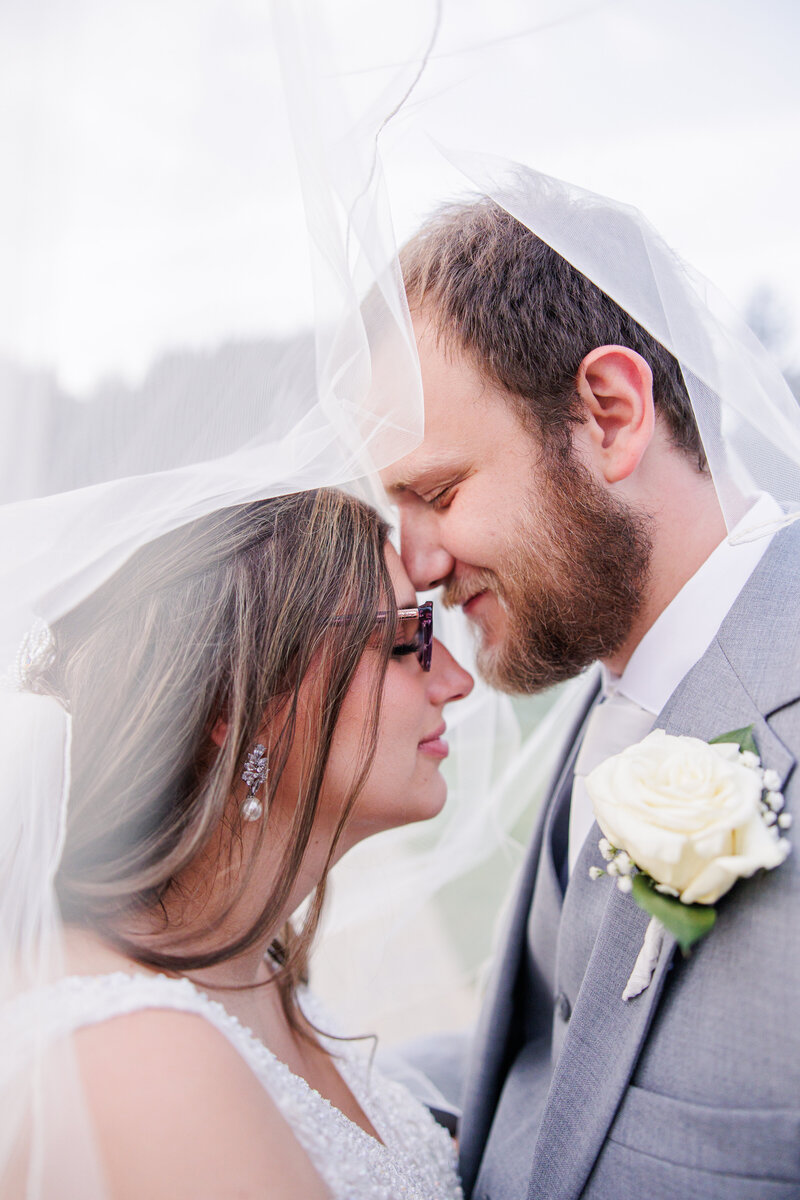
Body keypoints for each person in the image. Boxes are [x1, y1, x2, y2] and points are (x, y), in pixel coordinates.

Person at [381, 187, 800, 1199]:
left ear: (607, 416)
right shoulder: (607, 676)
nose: (418, 567)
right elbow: (561, 1062)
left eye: (436, 494)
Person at [1, 487, 473, 1199]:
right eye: (409, 640)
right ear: (235, 704)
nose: (457, 682)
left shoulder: (261, 973)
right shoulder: (146, 1061)